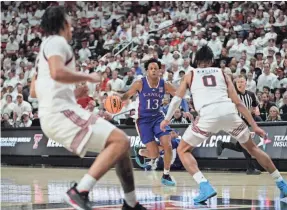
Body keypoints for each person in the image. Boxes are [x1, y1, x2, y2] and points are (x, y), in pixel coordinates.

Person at [31, 6, 146, 210]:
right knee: (121, 141)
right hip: (60, 112)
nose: (72, 27)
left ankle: (130, 203)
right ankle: (80, 191)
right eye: (70, 22)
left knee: (120, 145)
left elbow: (34, 91)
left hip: (54, 113)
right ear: (63, 23)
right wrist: (89, 77)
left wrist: (74, 94)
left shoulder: (43, 50)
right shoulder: (57, 42)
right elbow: (58, 73)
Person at [160, 46, 287, 203]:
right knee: (252, 148)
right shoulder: (222, 73)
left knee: (182, 149)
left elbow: (177, 100)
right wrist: (254, 126)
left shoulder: (190, 74)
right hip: (229, 112)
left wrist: (166, 119)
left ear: (196, 61)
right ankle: (282, 183)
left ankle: (204, 186)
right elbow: (239, 102)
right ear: (212, 60)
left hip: (208, 115)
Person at [121, 58, 191, 186]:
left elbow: (179, 96)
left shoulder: (164, 84)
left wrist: (186, 109)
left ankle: (166, 175)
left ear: (160, 71)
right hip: (143, 120)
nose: (153, 70)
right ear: (147, 71)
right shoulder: (139, 83)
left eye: (156, 68)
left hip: (158, 118)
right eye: (151, 68)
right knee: (154, 154)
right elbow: (127, 95)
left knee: (168, 144)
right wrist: (117, 100)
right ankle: (141, 152)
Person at [217, 75, 261, 175]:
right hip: (236, 121)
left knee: (241, 146)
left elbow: (254, 107)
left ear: (246, 83)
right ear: (235, 84)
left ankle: (223, 144)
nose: (240, 84)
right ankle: (250, 168)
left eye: (242, 81)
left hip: (246, 121)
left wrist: (250, 115)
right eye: (238, 82)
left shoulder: (251, 94)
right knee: (245, 144)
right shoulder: (232, 95)